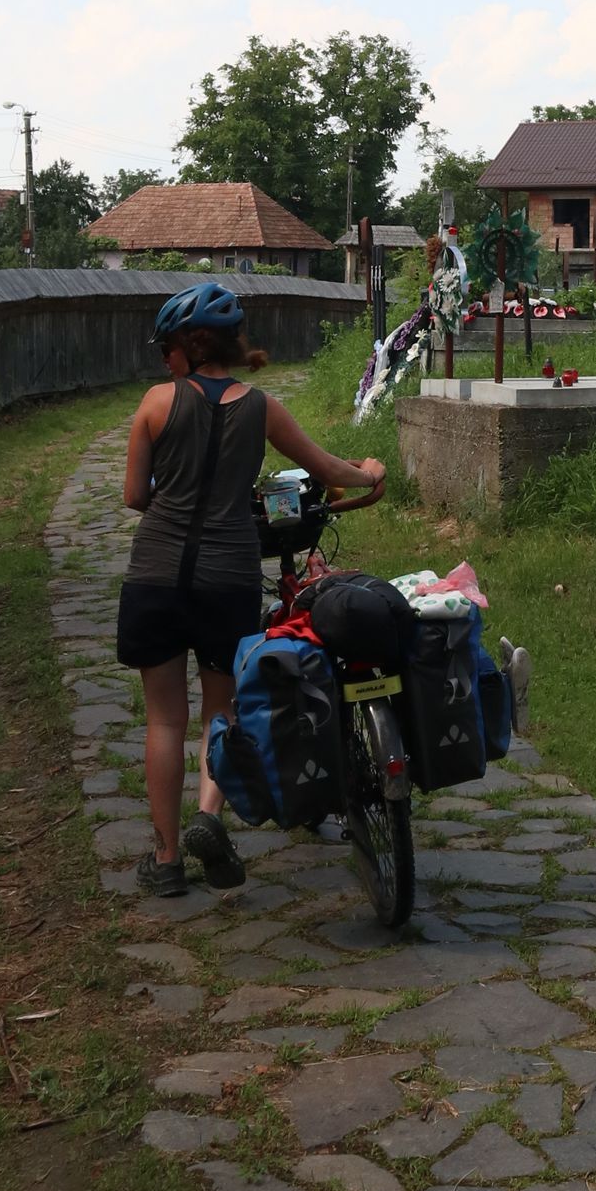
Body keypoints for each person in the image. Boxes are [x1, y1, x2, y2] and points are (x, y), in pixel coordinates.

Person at [118, 280, 386, 899]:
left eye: (167, 349)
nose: (164, 361)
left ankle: (164, 861)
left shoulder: (155, 404)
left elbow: (135, 497)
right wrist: (368, 473)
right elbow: (329, 471)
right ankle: (208, 820)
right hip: (228, 575)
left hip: (156, 573)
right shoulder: (262, 407)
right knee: (222, 709)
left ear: (186, 347)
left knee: (163, 718)